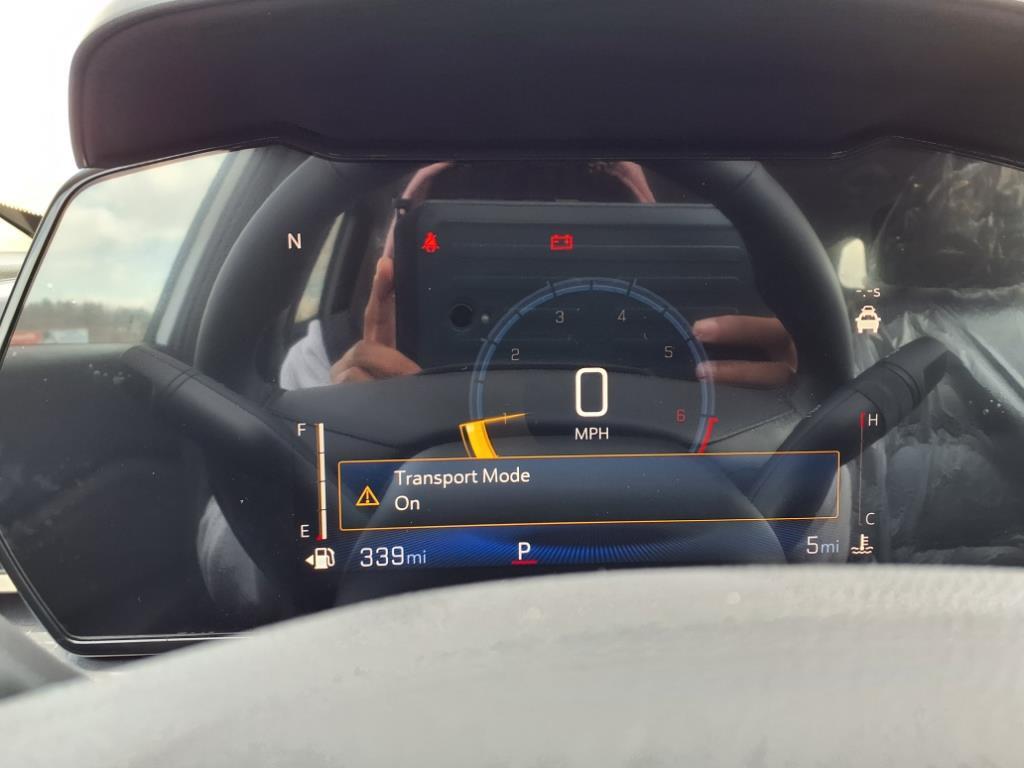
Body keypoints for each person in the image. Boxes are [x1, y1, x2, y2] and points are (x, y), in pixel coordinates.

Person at [280, 161, 797, 390]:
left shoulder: (709, 358)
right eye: (481, 268)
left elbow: (813, 542)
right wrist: (344, 432)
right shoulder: (328, 361)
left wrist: (799, 408)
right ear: (396, 274)